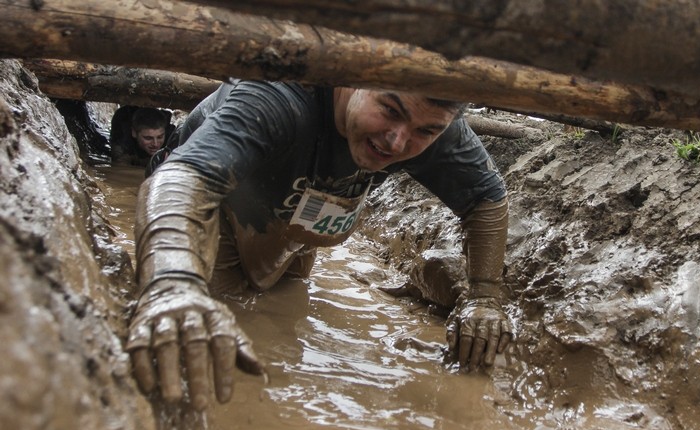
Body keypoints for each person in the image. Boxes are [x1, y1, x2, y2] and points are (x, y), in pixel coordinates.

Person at [126, 80, 512, 410]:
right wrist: (172, 283)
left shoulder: (427, 120)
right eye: (389, 111)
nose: (397, 142)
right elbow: (183, 180)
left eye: (425, 132)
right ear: (350, 78)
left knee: (283, 317)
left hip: (301, 218)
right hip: (216, 207)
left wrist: (484, 296)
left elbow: (486, 198)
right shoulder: (280, 94)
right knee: (220, 333)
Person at [109, 106, 175, 166]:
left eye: (160, 137)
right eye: (148, 138)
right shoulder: (123, 143)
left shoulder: (171, 138)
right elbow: (121, 169)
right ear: (134, 133)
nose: (155, 144)